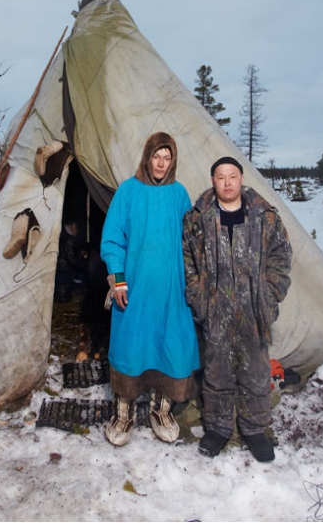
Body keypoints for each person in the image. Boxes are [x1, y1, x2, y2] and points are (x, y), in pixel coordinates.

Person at [182, 156, 293, 463]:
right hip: (216, 305)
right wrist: (198, 294)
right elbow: (187, 259)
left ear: (242, 179)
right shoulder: (199, 217)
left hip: (253, 308)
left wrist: (270, 295)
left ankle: (255, 430)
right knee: (217, 370)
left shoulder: (264, 216)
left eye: (233, 176)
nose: (227, 182)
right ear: (213, 181)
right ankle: (218, 429)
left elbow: (282, 255)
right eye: (221, 177)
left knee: (255, 371)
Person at [101, 131, 200, 446]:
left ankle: (161, 411)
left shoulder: (178, 194)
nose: (161, 163)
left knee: (171, 346)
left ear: (173, 161)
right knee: (132, 348)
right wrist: (117, 280)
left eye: (167, 157)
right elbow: (113, 239)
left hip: (171, 290)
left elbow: (190, 241)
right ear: (147, 157)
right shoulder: (128, 192)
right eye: (157, 156)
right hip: (135, 289)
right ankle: (123, 414)